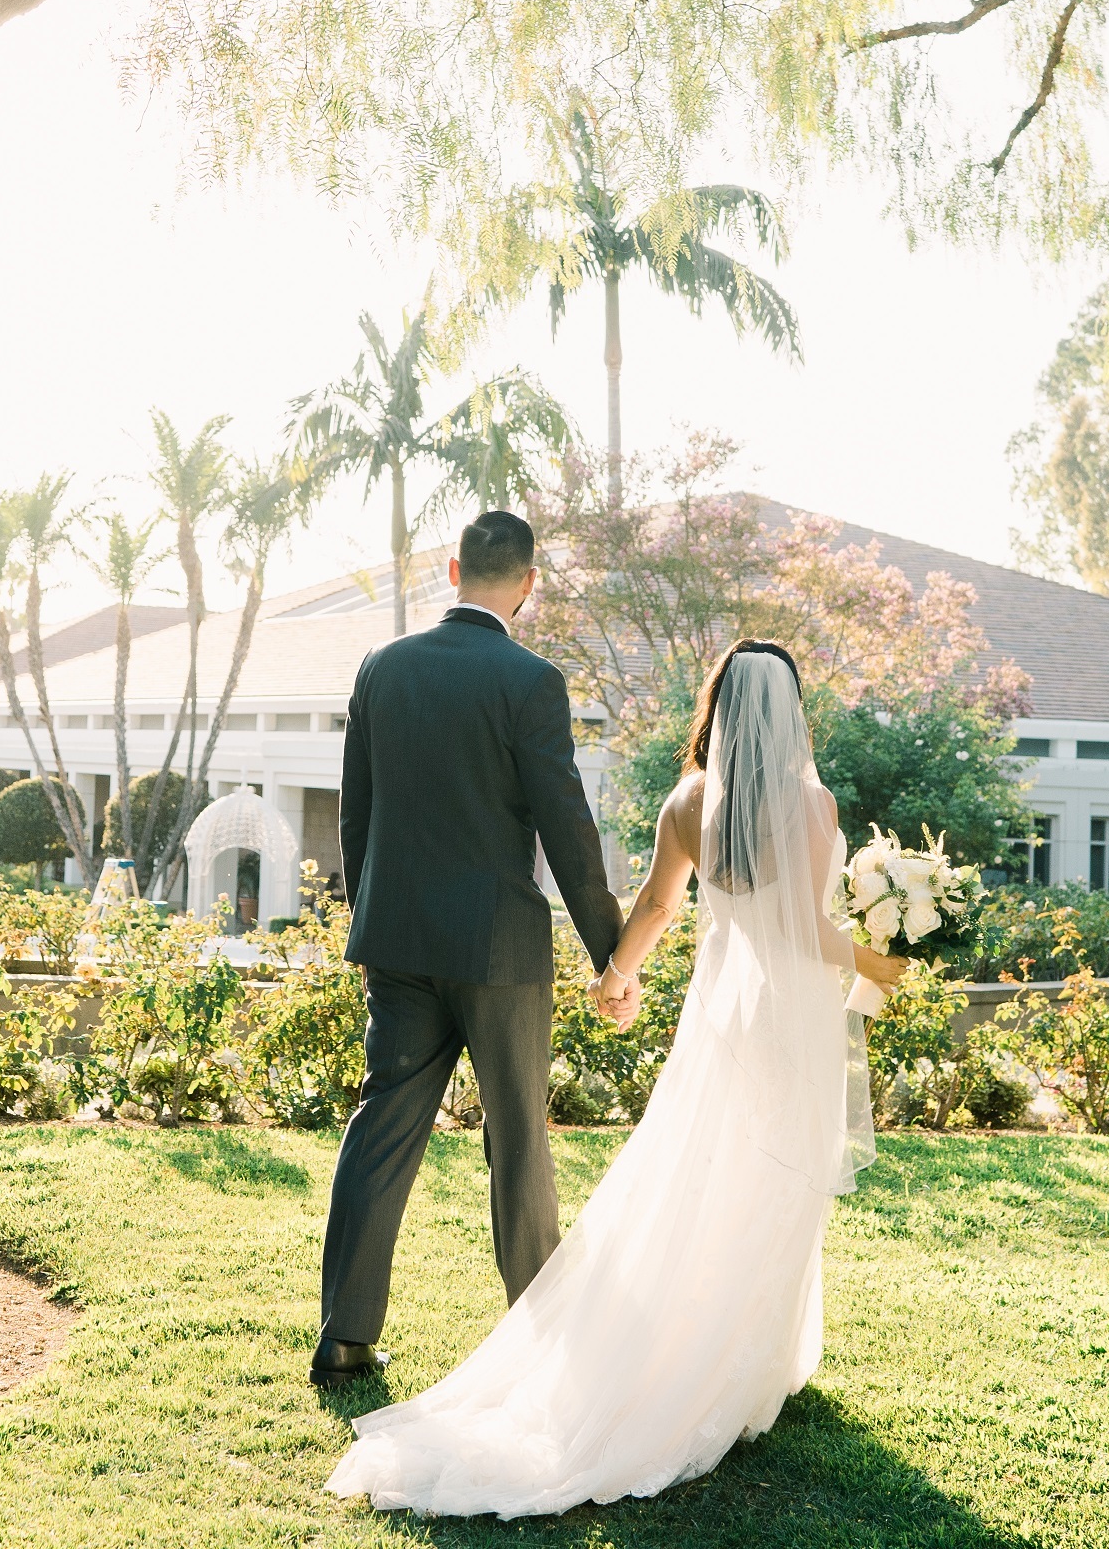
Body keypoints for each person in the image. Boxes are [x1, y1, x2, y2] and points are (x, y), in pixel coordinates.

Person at [323, 638, 908, 1517]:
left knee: (709, 1174)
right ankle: (751, 1366)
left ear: (717, 707)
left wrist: (618, 972)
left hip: (720, 1016)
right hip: (789, 1016)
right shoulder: (811, 803)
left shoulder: (687, 802)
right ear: (789, 712)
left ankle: (742, 1355)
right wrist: (883, 960)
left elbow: (660, 904)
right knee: (780, 1182)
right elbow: (806, 928)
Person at [311, 508, 623, 1390]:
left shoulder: (382, 665)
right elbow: (567, 827)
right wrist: (609, 951)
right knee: (518, 1137)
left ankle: (343, 1338)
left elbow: (357, 812)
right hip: (498, 950)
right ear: (529, 583)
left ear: (453, 571)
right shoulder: (530, 680)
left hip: (398, 941)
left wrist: (372, 920)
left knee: (380, 1127)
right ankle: (543, 1335)